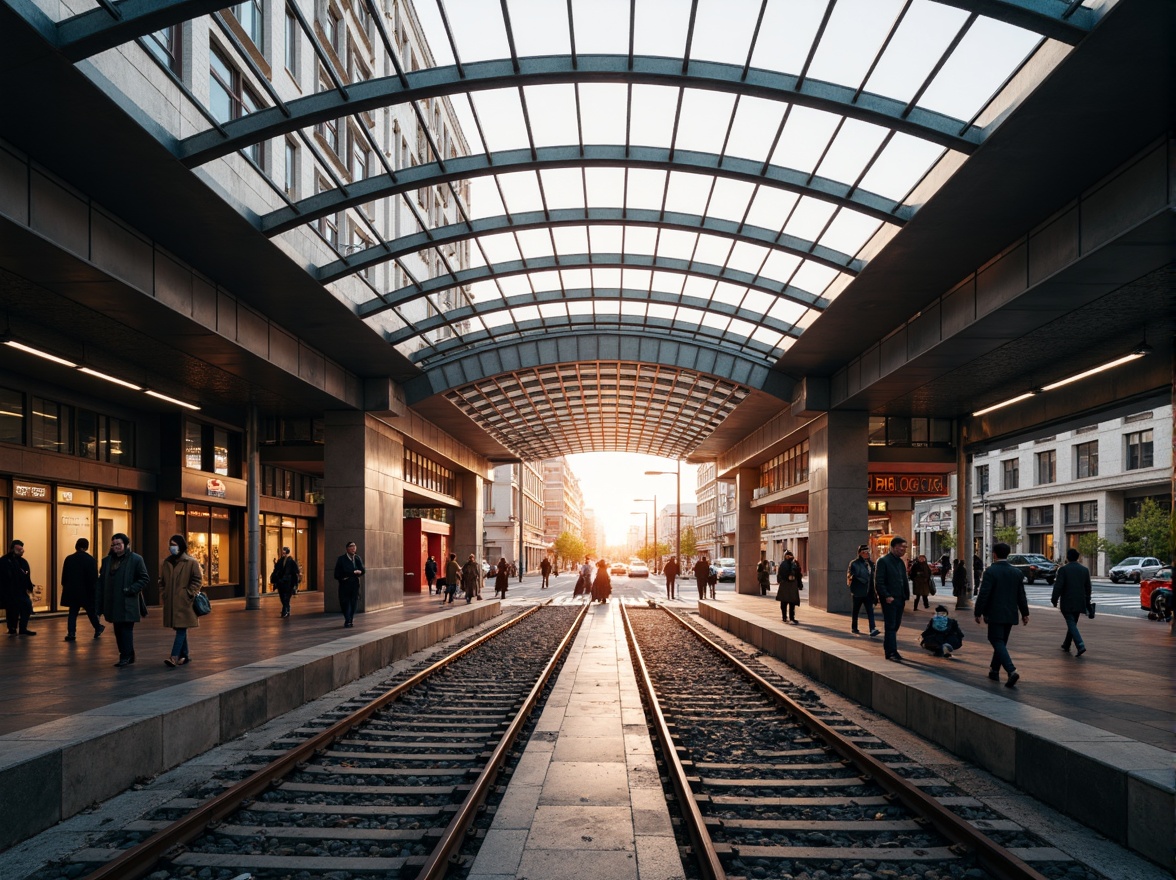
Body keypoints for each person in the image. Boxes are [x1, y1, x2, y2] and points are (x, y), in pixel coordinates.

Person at [974, 542, 1030, 687]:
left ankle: (1011, 670)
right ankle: (994, 670)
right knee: (1001, 642)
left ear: (994, 554)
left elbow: (984, 593)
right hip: (1010, 613)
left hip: (994, 612)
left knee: (996, 640)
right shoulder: (1016, 572)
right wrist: (1025, 613)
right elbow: (1021, 595)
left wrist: (978, 611)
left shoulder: (991, 571)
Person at [96, 533, 149, 666]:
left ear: (126, 544)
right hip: (112, 602)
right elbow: (101, 582)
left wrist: (131, 589)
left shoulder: (136, 559)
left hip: (128, 602)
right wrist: (99, 604)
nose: (116, 547)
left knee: (126, 629)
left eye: (119, 544)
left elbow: (144, 578)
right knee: (118, 630)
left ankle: (125, 656)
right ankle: (128, 655)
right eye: (113, 544)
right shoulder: (107, 561)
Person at [160, 534, 203, 667]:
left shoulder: (191, 562)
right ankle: (185, 655)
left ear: (181, 545)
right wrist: (164, 593)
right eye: (170, 545)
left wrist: (188, 593)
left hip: (184, 602)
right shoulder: (167, 562)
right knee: (180, 627)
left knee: (181, 629)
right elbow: (162, 581)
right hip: (171, 601)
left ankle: (174, 656)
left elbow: (198, 579)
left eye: (174, 544)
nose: (172, 547)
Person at [874, 536, 911, 662]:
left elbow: (904, 580)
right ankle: (891, 651)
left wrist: (906, 595)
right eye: (902, 547)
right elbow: (879, 581)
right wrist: (886, 595)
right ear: (894, 547)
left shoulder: (900, 562)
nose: (904, 550)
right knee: (890, 625)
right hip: (890, 599)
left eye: (905, 547)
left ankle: (890, 648)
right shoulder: (883, 561)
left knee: (896, 625)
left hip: (900, 598)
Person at [1052, 547, 1091, 656]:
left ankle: (1080, 644)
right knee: (1073, 622)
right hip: (1080, 601)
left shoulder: (1063, 570)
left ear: (1067, 558)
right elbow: (1088, 588)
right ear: (1077, 558)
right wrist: (1087, 601)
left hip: (1067, 601)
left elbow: (1058, 586)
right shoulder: (1084, 570)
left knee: (1071, 622)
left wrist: (1054, 599)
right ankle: (1066, 644)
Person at [61, 537, 102, 641]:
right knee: (90, 611)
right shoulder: (90, 560)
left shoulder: (69, 559)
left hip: (72, 591)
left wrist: (65, 587)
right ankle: (98, 627)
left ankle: (71, 633)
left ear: (76, 546)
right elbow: (93, 578)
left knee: (73, 612)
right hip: (86, 591)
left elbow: (64, 576)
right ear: (86, 547)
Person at [1, 539, 36, 636]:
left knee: (26, 607)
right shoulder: (5, 561)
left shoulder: (22, 562)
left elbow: (27, 575)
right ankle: (12, 628)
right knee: (12, 609)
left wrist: (29, 586)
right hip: (9, 591)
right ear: (13, 549)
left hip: (20, 590)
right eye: (19, 549)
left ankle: (22, 628)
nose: (21, 551)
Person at [846, 544, 880, 636]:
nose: (867, 554)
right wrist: (864, 580)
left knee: (870, 610)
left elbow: (873, 578)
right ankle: (854, 627)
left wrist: (874, 591)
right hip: (858, 591)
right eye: (864, 552)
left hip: (869, 592)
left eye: (867, 552)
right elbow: (851, 576)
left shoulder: (871, 564)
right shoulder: (854, 563)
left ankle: (872, 628)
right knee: (856, 610)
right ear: (860, 553)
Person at [333, 541, 364, 628]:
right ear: (347, 548)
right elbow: (337, 574)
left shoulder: (357, 558)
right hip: (345, 584)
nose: (353, 548)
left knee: (354, 602)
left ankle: (350, 619)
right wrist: (352, 572)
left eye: (354, 546)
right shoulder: (341, 559)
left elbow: (362, 569)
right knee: (345, 602)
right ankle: (347, 619)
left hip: (355, 584)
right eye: (351, 546)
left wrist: (360, 571)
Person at [269, 546, 300, 618]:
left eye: (284, 552)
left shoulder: (291, 561)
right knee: (282, 596)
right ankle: (286, 608)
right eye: (283, 552)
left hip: (289, 582)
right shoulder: (280, 561)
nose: (283, 554)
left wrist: (295, 582)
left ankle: (285, 610)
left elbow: (296, 571)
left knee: (286, 597)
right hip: (281, 582)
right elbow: (276, 570)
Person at [775, 550, 802, 624]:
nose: (789, 557)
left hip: (791, 585)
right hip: (786, 584)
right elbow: (780, 574)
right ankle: (785, 616)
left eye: (790, 556)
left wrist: (799, 584)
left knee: (791, 602)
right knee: (784, 602)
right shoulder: (784, 564)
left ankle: (791, 617)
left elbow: (798, 575)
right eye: (787, 556)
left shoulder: (794, 564)